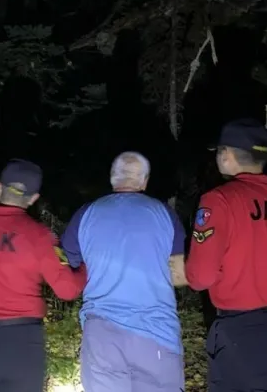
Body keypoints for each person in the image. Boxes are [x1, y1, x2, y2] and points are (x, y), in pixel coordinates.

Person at [169, 118, 267, 391]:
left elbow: (201, 276)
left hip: (243, 341)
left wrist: (185, 268)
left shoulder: (218, 200)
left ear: (227, 156)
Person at [0, 158, 87, 392]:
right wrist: (85, 268)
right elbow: (68, 290)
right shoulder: (40, 236)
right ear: (33, 198)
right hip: (23, 344)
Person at [61, 151, 187, 392]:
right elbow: (179, 275)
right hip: (157, 333)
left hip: (102, 334)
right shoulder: (164, 213)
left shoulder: (86, 213)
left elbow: (70, 264)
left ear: (112, 178)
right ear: (144, 181)